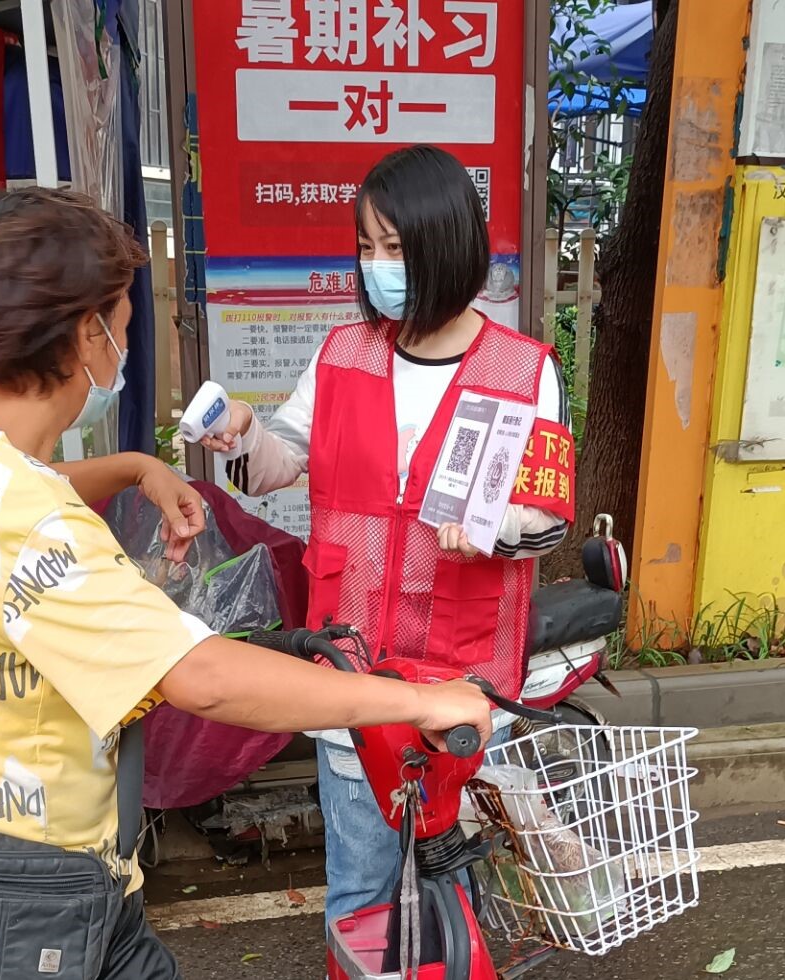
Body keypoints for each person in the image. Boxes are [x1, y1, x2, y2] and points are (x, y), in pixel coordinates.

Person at [0, 186, 491, 979]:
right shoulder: (27, 516)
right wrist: (420, 701)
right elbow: (205, 678)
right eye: (121, 325)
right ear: (87, 336)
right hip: (28, 911)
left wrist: (134, 468)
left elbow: (0, 495)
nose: (123, 343)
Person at [200, 145, 578, 927]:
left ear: (446, 244)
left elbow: (546, 515)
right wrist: (240, 437)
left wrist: (494, 529)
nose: (377, 266)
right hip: (357, 662)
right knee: (362, 886)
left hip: (466, 674)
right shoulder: (344, 354)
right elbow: (275, 466)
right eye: (367, 248)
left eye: (395, 248)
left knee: (457, 878)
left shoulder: (523, 368)